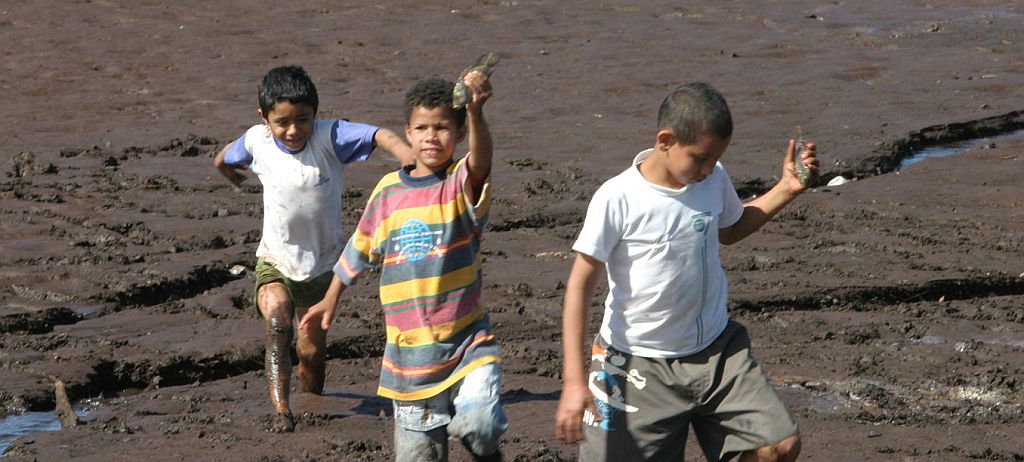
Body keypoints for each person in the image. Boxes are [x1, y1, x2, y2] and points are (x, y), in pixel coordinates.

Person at [554, 82, 818, 461]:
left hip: (717, 353)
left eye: (716, 159)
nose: (708, 169)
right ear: (665, 140)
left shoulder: (713, 178)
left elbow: (730, 228)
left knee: (779, 446)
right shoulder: (618, 198)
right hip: (636, 364)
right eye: (700, 158)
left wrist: (786, 189)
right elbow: (579, 286)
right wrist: (574, 381)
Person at [300, 71, 505, 461]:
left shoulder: (461, 184)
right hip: (408, 360)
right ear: (407, 133)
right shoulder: (388, 191)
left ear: (459, 133)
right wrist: (330, 299)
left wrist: (476, 111)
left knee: (481, 426)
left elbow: (482, 161)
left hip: (467, 345)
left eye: (443, 127)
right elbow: (358, 249)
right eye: (422, 127)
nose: (431, 136)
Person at [212, 65, 414, 433]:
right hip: (274, 259)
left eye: (302, 119)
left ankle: (313, 397)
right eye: (282, 122)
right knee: (277, 322)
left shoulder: (329, 137)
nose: (293, 130)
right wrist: (229, 173)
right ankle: (282, 411)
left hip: (323, 267)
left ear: (315, 114)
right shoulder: (257, 140)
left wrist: (405, 154)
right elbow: (225, 156)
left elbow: (379, 134)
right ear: (264, 118)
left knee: (310, 352)